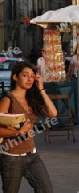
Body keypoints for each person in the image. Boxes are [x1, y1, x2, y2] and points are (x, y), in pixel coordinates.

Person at [0, 61, 57, 192]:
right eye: (25, 75)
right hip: (11, 157)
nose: (29, 79)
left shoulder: (32, 99)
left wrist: (41, 89)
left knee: (46, 190)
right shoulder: (7, 100)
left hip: (32, 155)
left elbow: (53, 113)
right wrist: (19, 132)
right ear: (15, 77)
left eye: (32, 76)